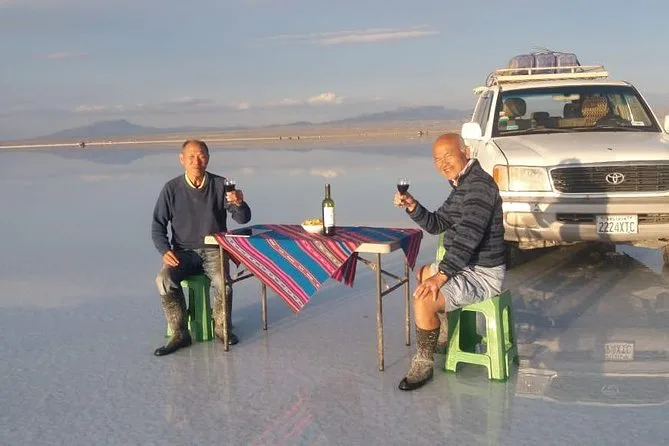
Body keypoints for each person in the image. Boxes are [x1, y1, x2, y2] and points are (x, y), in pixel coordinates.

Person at [393, 133, 506, 390]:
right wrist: (413, 206)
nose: (443, 163)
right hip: (468, 266)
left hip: (483, 273)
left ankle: (424, 362)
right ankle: (442, 332)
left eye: (448, 156)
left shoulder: (478, 187)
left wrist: (441, 276)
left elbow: (468, 237)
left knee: (424, 298)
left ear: (465, 152)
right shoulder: (463, 185)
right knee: (423, 273)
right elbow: (438, 224)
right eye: (437, 159)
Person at [152, 139, 251, 356]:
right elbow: (158, 225)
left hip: (214, 249)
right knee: (163, 280)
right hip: (183, 253)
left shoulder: (221, 185)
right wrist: (164, 250)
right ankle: (180, 333)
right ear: (182, 160)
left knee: (222, 282)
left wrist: (239, 203)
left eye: (201, 156)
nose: (196, 161)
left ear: (208, 158)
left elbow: (242, 219)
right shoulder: (171, 189)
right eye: (191, 157)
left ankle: (222, 328)